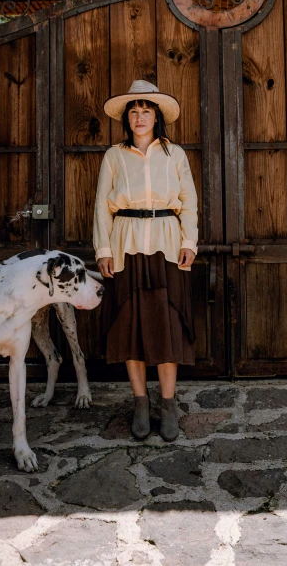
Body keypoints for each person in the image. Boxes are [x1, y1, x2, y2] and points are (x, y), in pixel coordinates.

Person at [93, 79, 198, 442]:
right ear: (127, 118)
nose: (140, 117)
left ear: (156, 116)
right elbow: (101, 208)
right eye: (134, 111)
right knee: (130, 325)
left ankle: (167, 404)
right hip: (125, 246)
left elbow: (190, 201)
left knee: (167, 324)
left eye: (146, 110)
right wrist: (103, 251)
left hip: (168, 245)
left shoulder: (176, 154)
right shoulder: (114, 155)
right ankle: (140, 402)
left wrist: (190, 242)